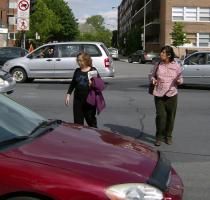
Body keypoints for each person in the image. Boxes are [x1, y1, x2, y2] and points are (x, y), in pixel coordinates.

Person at [149, 45, 183, 146]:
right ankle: (159, 137)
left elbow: (181, 78)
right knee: (160, 116)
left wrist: (179, 81)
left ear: (169, 54)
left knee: (170, 117)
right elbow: (151, 75)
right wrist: (153, 80)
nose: (161, 54)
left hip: (172, 94)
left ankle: (168, 136)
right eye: (161, 52)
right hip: (159, 94)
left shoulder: (176, 65)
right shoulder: (158, 64)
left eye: (163, 52)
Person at [65, 52, 103, 128]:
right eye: (78, 60)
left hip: (89, 100)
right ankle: (80, 138)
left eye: (81, 60)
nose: (79, 62)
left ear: (86, 60)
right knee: (78, 123)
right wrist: (68, 94)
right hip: (78, 100)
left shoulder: (93, 70)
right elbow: (73, 83)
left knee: (91, 122)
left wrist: (92, 84)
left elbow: (99, 85)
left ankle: (94, 138)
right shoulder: (77, 71)